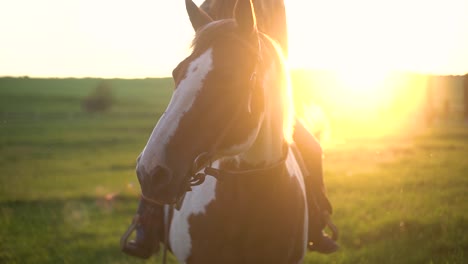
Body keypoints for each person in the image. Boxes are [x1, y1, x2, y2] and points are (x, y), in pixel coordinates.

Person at [122, 0, 338, 259]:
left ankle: (315, 223)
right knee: (167, 144)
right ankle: (147, 223)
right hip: (215, 92)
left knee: (312, 148)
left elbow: (283, 51)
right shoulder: (211, 3)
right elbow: (205, 40)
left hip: (265, 95)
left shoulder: (273, 5)